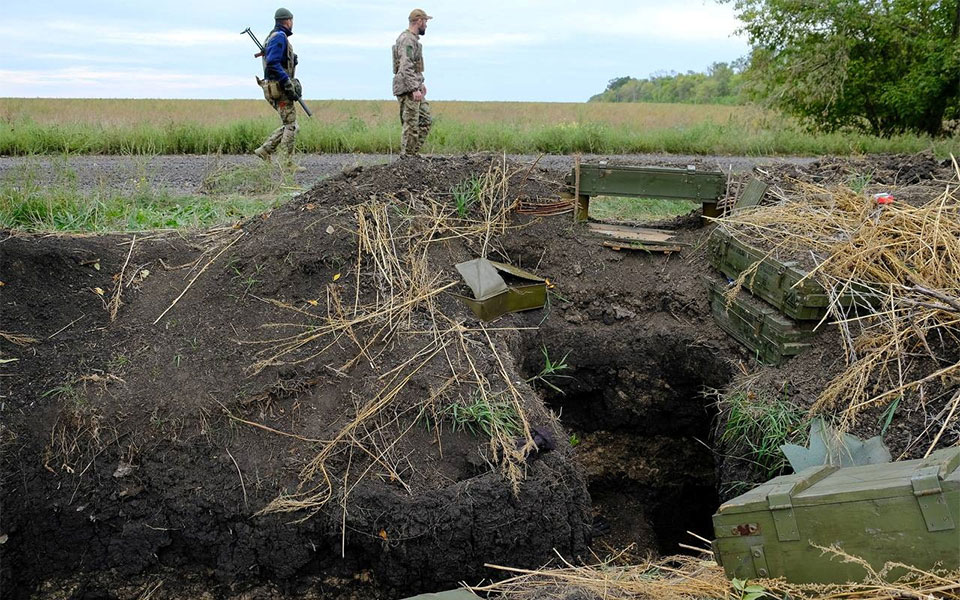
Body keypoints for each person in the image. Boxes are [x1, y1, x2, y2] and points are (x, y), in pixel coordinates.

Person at [254, 8, 302, 168]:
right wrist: (287, 83)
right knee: (292, 125)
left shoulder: (272, 37)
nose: (292, 24)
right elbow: (273, 63)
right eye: (291, 20)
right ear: (287, 21)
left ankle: (265, 150)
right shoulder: (279, 37)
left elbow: (274, 61)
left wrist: (291, 60)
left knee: (290, 124)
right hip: (279, 88)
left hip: (273, 87)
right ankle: (286, 164)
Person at [392, 9, 433, 156]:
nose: (426, 26)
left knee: (425, 120)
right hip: (407, 89)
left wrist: (420, 83)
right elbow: (405, 66)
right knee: (411, 125)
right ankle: (407, 159)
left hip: (413, 86)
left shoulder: (413, 40)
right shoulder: (407, 40)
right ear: (419, 21)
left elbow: (413, 67)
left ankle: (411, 155)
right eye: (425, 22)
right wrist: (414, 88)